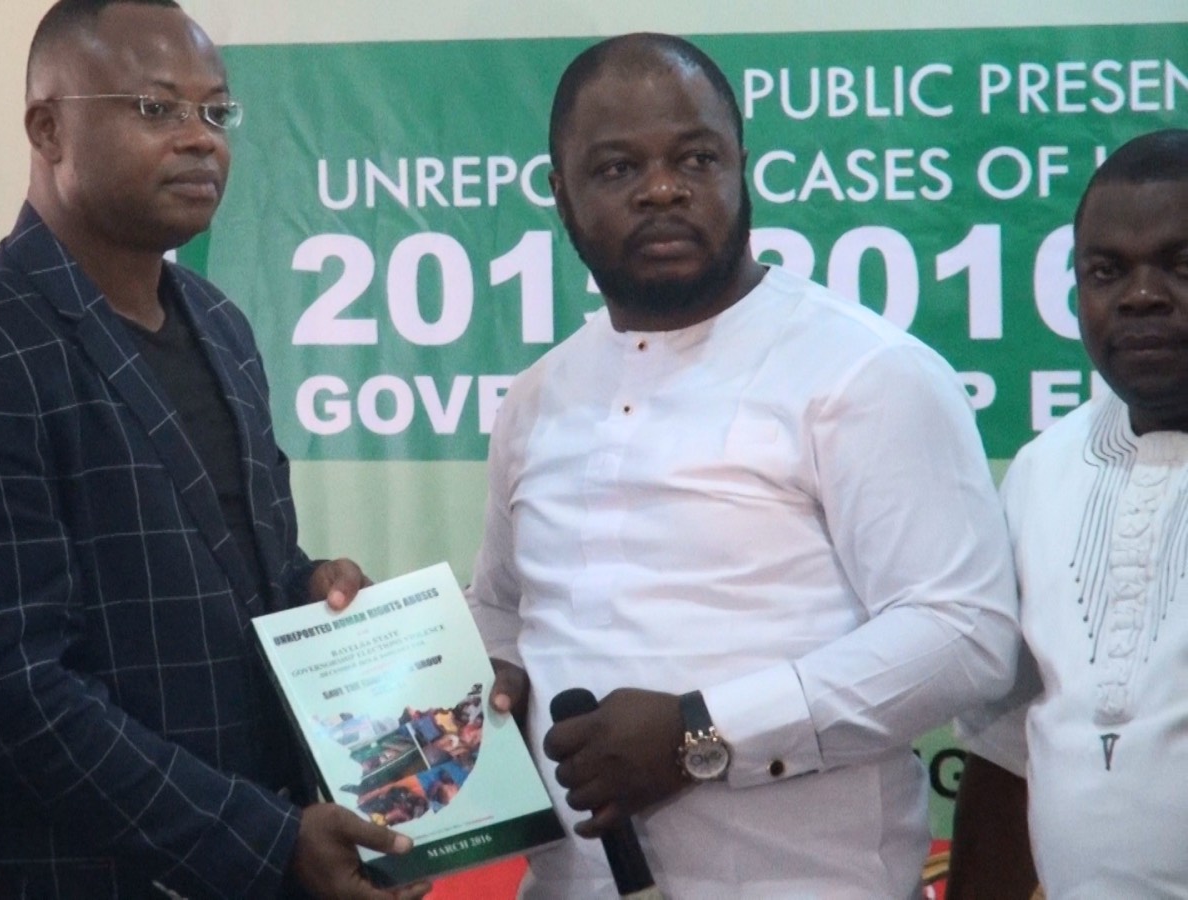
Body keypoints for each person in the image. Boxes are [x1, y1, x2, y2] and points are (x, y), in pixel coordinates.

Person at [0, 2, 424, 897]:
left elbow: (246, 571)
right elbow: (10, 695)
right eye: (156, 108)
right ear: (48, 128)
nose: (199, 140)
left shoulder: (220, 324)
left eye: (216, 113)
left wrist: (315, 590)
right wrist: (264, 839)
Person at [467, 33, 1021, 898]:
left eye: (696, 157)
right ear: (559, 193)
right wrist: (490, 681)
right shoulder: (539, 397)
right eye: (617, 169)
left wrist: (703, 733)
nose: (663, 189)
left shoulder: (864, 372)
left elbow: (963, 634)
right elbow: (503, 607)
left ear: (742, 168)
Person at [948, 129, 1188, 900]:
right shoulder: (1041, 471)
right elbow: (1003, 750)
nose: (1142, 295)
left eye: (1180, 263)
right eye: (1105, 270)